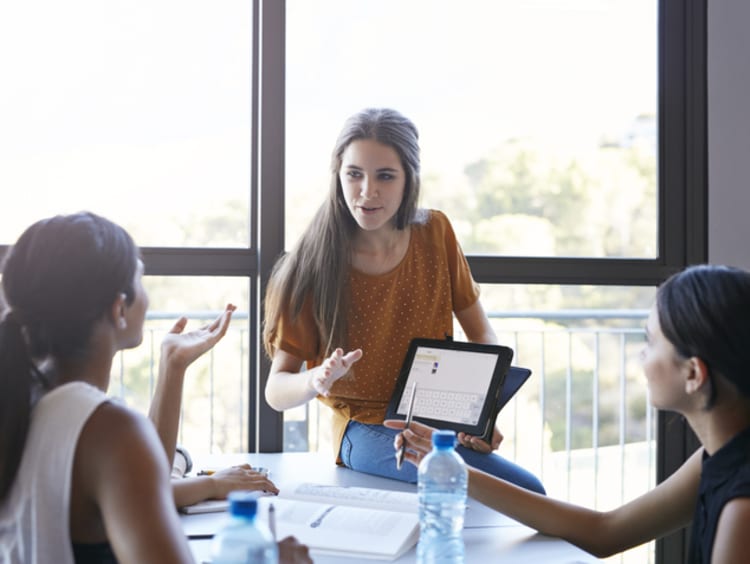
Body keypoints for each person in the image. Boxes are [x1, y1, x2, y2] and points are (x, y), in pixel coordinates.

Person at [0, 212, 310, 564]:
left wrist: (172, 363)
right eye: (141, 280)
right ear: (119, 308)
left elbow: (148, 485)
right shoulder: (108, 429)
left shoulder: (23, 399)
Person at [386, 264, 750, 563]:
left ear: (693, 374)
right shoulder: (716, 459)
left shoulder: (742, 506)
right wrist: (453, 468)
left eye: (651, 342)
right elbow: (605, 531)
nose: (642, 355)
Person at [263, 107, 544, 493]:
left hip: (436, 420)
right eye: (354, 174)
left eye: (385, 176)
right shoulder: (310, 266)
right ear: (338, 176)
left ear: (408, 179)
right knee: (466, 487)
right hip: (362, 429)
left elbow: (482, 335)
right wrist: (317, 378)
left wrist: (479, 416)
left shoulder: (435, 232)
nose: (367, 191)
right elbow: (276, 391)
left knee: (529, 490)